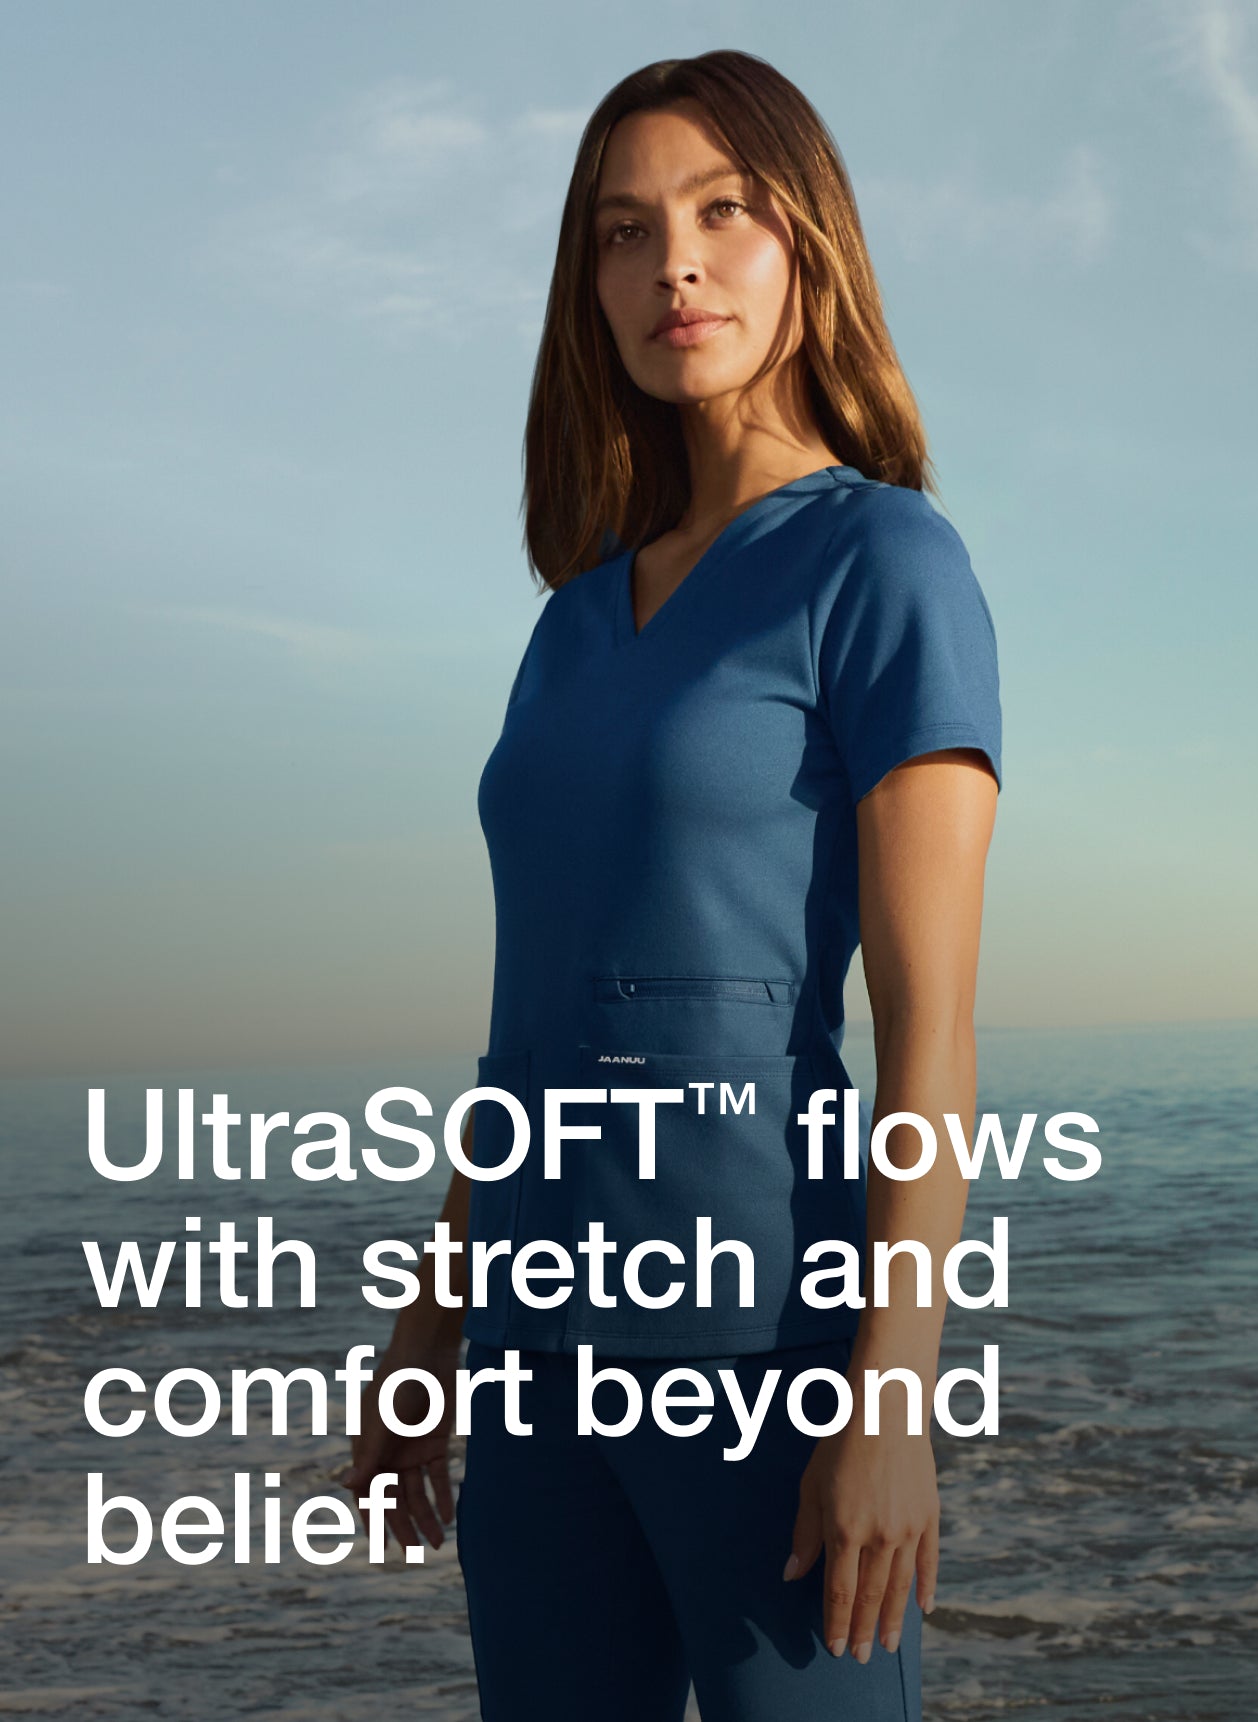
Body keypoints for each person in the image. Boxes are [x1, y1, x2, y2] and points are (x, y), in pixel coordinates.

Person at [344, 48, 1002, 1721]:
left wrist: (888, 1399)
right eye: (622, 233)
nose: (673, 266)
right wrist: (431, 1334)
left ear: (809, 246)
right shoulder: (569, 621)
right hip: (536, 1343)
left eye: (722, 213)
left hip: (756, 1343)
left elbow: (927, 1040)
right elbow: (527, 1033)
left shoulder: (884, 561)